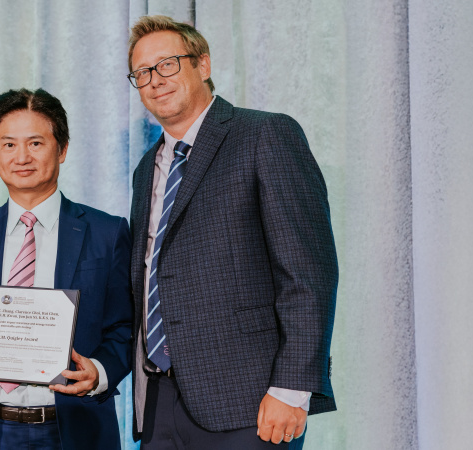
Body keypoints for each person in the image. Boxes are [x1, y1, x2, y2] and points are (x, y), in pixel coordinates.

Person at [126, 15, 338, 449]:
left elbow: (308, 272)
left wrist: (292, 388)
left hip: (251, 401)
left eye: (167, 64)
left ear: (202, 64)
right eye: (143, 73)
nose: (155, 80)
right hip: (161, 399)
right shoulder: (146, 168)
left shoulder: (265, 134)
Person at [0, 88, 133, 450]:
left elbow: (125, 326)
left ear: (63, 149)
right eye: (8, 144)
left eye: (36, 143)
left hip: (75, 428)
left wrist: (100, 371)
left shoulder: (107, 232)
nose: (21, 157)